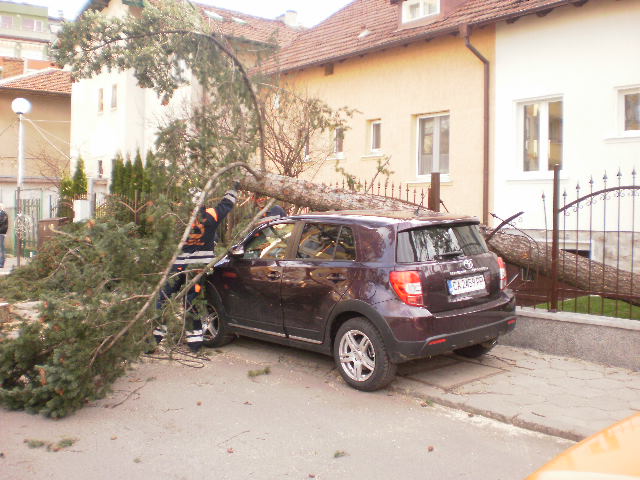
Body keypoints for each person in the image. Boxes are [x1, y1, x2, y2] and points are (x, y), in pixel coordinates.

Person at [152, 183, 239, 353]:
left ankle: (153, 340)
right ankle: (195, 344)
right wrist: (234, 187)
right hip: (197, 270)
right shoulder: (211, 215)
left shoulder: (180, 219)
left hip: (178, 267)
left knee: (163, 300)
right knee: (192, 303)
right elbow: (227, 204)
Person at [0, 203, 7, 269]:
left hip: (1, 233)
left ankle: (2, 263)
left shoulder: (4, 214)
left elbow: (2, 222)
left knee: (2, 249)